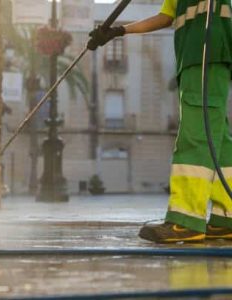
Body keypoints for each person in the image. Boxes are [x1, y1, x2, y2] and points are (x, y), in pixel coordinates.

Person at [88, 0, 232, 243]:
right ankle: (227, 218)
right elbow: (165, 17)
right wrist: (118, 31)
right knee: (219, 140)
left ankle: (186, 220)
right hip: (194, 59)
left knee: (195, 135)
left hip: (208, 55)